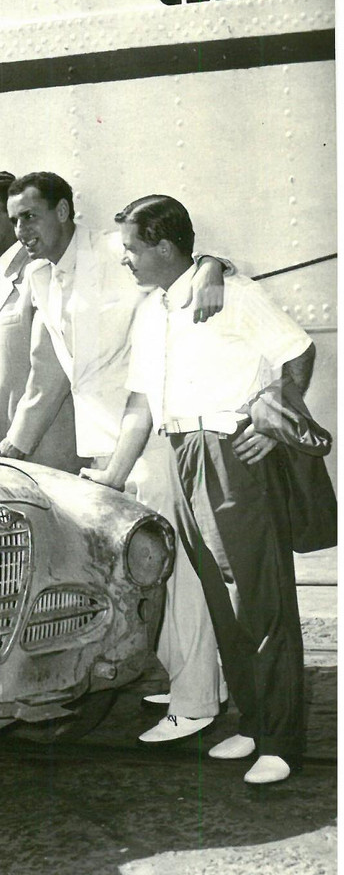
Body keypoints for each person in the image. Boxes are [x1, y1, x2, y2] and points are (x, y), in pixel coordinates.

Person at [83, 194, 316, 784]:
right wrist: (112, 474)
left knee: (258, 603)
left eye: (132, 249)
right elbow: (140, 404)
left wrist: (275, 422)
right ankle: (255, 722)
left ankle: (283, 741)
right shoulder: (152, 310)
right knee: (220, 600)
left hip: (230, 454)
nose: (126, 261)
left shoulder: (230, 294)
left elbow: (298, 351)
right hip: (183, 453)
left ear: (164, 246)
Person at [0, 172, 230, 742]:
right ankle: (194, 678)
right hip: (103, 448)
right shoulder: (36, 275)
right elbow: (50, 373)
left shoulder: (113, 250)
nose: (20, 229)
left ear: (63, 211)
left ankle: (197, 701)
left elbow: (189, 264)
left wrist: (212, 265)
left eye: (30, 216)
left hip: (149, 436)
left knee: (179, 574)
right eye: (14, 219)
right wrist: (12, 446)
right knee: (150, 577)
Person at [0, 171, 78, 468]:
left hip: (47, 446)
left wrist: (19, 440)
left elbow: (49, 369)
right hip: (9, 447)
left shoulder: (40, 269)